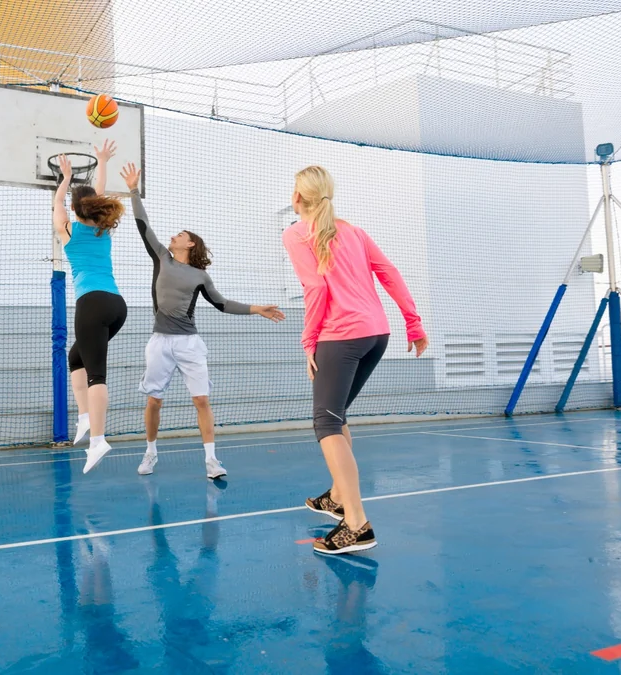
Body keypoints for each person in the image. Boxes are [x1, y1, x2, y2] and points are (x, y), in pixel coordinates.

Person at [282, 165, 428, 555]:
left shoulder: (296, 233)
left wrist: (309, 339)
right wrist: (413, 324)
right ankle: (337, 496)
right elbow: (390, 273)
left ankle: (357, 524)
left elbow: (315, 288)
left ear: (297, 198)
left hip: (341, 337)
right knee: (337, 415)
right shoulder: (354, 232)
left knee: (326, 422)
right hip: (376, 335)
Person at [118, 163, 285, 480]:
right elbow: (143, 225)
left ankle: (211, 461)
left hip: (189, 343)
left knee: (202, 400)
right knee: (154, 400)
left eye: (179, 234)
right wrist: (133, 190)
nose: (173, 235)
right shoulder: (162, 258)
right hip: (159, 342)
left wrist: (257, 308)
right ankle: (150, 452)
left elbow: (221, 304)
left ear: (190, 243)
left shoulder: (200, 276)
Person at [52, 141, 127, 474]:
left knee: (96, 375)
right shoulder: (101, 228)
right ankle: (85, 419)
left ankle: (98, 440)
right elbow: (94, 196)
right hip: (116, 306)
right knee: (75, 358)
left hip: (92, 304)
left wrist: (65, 179)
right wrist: (101, 161)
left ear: (73, 208)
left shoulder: (68, 231)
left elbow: (58, 204)